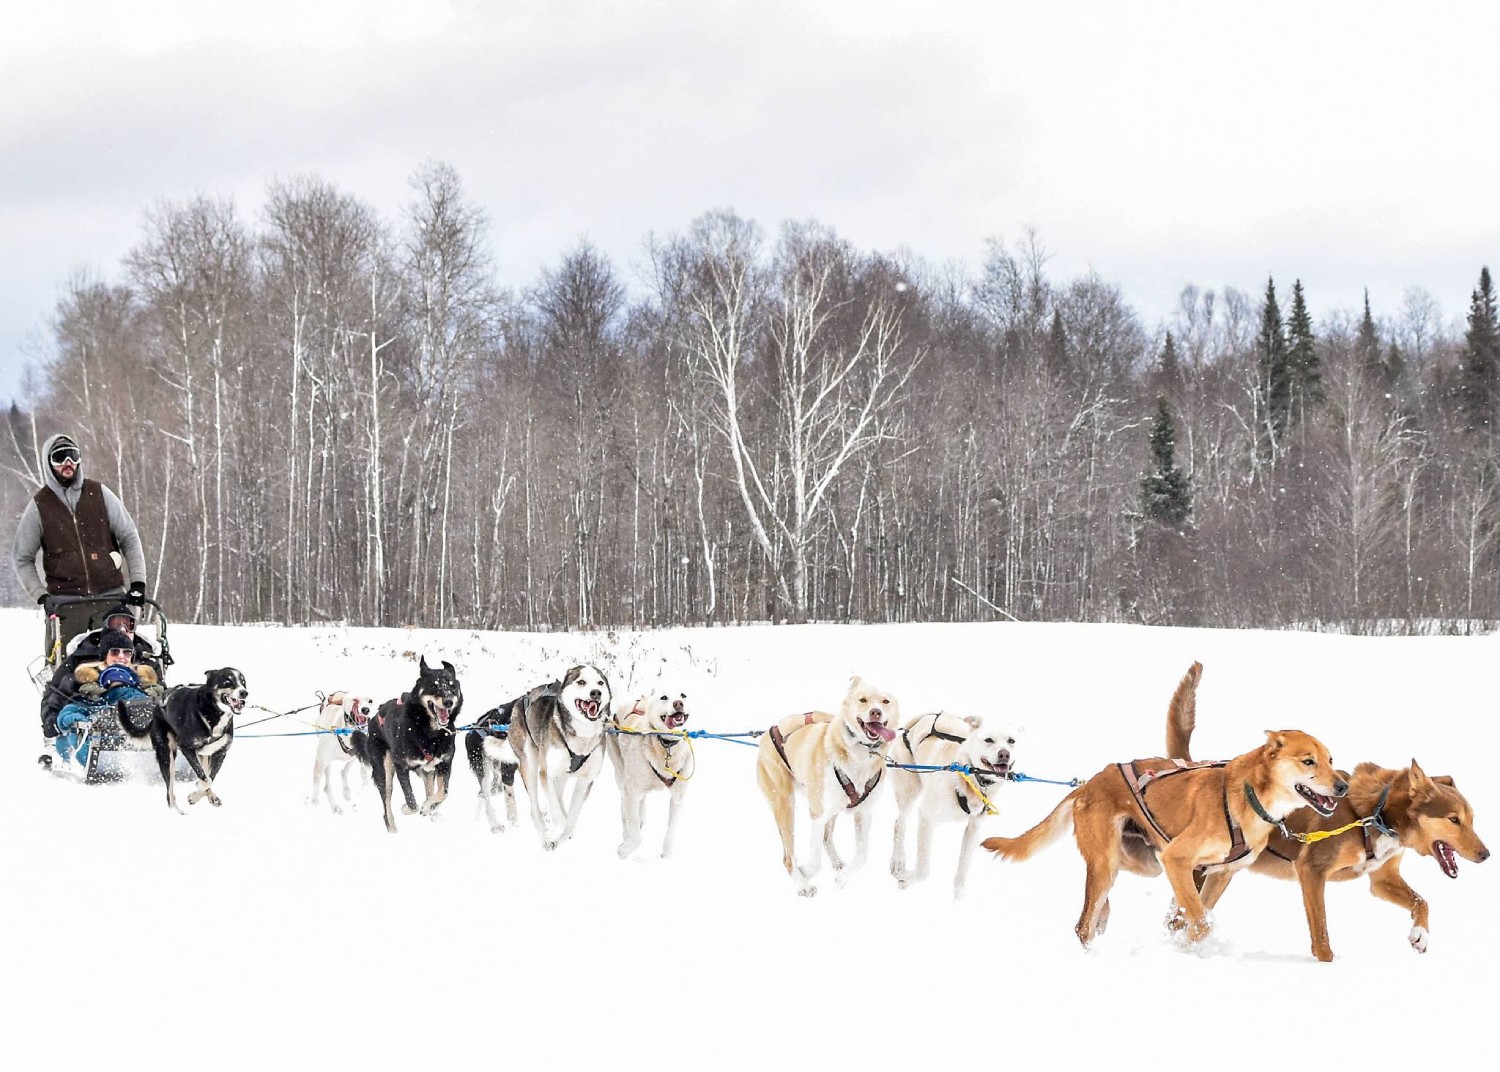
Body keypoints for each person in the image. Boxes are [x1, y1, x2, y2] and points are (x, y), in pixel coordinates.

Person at [13, 433, 148, 653]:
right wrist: (41, 596)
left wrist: (138, 584)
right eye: (60, 457)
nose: (68, 463)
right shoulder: (40, 506)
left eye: (73, 456)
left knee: (120, 661)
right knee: (68, 670)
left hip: (110, 599)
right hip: (66, 605)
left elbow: (129, 537)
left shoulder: (100, 494)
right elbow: (22, 558)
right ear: (48, 463)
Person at [38, 602, 162, 738]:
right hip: (94, 712)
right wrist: (52, 719)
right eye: (116, 623)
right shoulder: (80, 658)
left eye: (129, 624)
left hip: (139, 713)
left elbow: (159, 692)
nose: (122, 629)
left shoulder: (147, 661)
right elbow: (57, 691)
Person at [51, 629, 161, 773]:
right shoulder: (88, 684)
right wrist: (79, 720)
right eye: (115, 652)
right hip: (104, 739)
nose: (122, 657)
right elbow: (71, 710)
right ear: (105, 656)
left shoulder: (148, 685)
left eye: (127, 653)